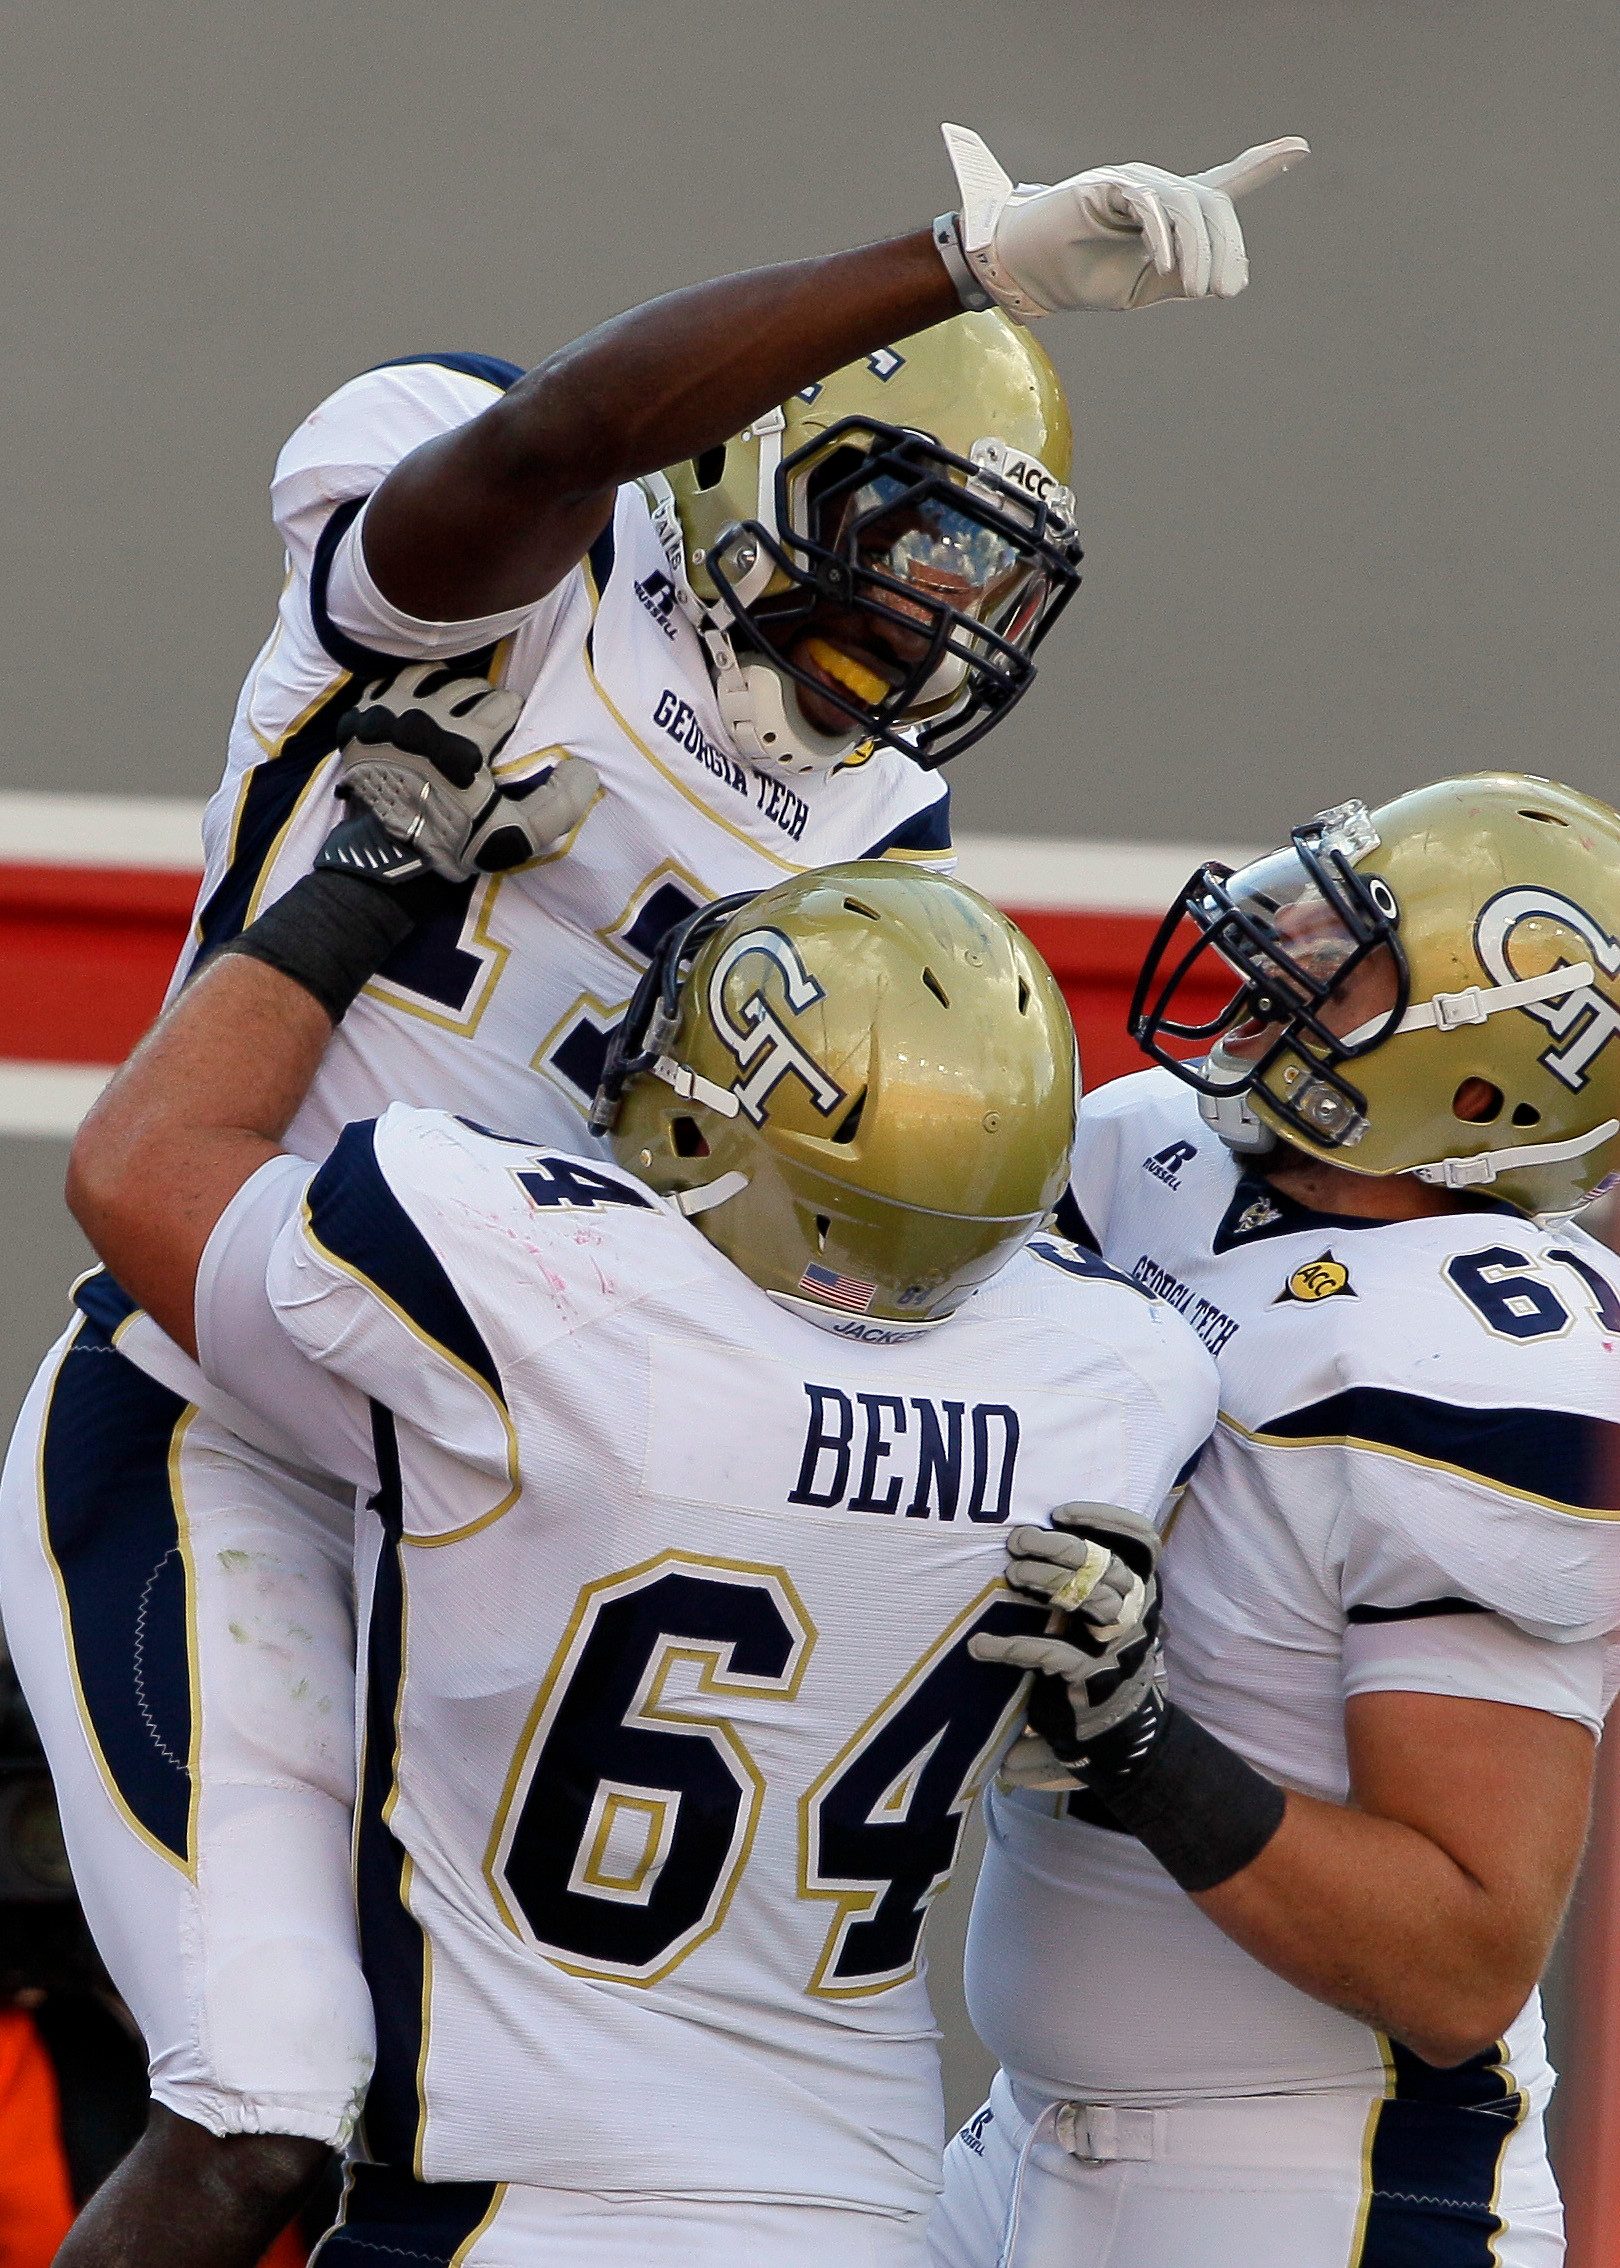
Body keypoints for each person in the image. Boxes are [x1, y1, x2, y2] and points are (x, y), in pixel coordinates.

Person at [0, 115, 1306, 2260]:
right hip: (223, 1379)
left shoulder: (880, 814)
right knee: (266, 2115)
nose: (930, 612)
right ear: (748, 461)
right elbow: (572, 427)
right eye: (904, 529)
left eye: (986, 577)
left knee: (447, 2133)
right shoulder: (518, 528)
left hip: (520, 1450)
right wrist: (956, 264)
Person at [59, 828, 1219, 2266]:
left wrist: (365, 868)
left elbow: (138, 1168)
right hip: (869, 2214)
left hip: (518, 2207)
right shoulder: (1114, 1374)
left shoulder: (536, 1277)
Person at [929, 773, 1620, 2267]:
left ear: (1484, 1079)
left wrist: (1141, 1747)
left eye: (1349, 949)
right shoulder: (1148, 1146)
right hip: (1017, 2139)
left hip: (1315, 2185)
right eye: (1315, 896)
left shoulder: (1497, 1362)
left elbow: (1461, 1963)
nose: (1280, 945)